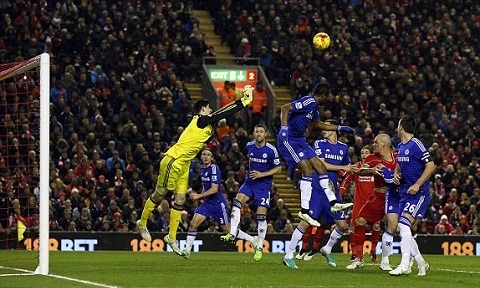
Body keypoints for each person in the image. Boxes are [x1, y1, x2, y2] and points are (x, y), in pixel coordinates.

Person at [136, 85, 255, 257]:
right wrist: (244, 100)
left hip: (184, 164)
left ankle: (172, 237)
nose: (211, 109)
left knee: (180, 199)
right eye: (208, 107)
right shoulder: (199, 120)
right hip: (173, 161)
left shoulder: (205, 123)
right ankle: (143, 222)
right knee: (160, 194)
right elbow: (222, 113)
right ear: (202, 110)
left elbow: (220, 116)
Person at [277, 83, 354, 227]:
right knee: (307, 170)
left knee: (320, 167)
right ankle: (305, 211)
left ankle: (334, 203)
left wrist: (339, 127)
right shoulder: (309, 101)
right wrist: (283, 128)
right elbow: (285, 108)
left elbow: (319, 124)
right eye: (328, 96)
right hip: (289, 140)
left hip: (300, 140)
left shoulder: (314, 109)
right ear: (323, 95)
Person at [283, 120, 356, 269]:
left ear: (334, 130)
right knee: (306, 222)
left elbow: (346, 170)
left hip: (332, 193)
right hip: (317, 190)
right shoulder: (319, 144)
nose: (324, 129)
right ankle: (289, 255)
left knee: (342, 226)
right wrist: (345, 167)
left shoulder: (343, 148)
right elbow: (322, 165)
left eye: (327, 127)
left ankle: (327, 248)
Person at [220, 124, 282, 261]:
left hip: (263, 186)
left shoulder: (271, 150)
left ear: (265, 134)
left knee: (261, 216)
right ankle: (232, 233)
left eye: (261, 132)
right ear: (253, 134)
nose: (259, 134)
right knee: (236, 202)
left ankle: (259, 246)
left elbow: (278, 169)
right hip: (250, 182)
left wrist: (262, 174)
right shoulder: (249, 146)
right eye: (256, 131)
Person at [182, 149, 256, 259]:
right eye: (204, 154)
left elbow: (214, 189)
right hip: (207, 203)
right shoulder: (202, 168)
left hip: (218, 204)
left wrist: (198, 196)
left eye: (208, 155)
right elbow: (206, 186)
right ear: (201, 157)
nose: (205, 156)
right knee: (193, 224)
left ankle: (252, 240)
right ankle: (187, 251)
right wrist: (200, 194)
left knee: (228, 230)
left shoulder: (214, 168)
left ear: (212, 158)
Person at [389, 115, 435, 276]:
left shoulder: (416, 144)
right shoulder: (401, 146)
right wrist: (396, 173)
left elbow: (430, 166)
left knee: (404, 224)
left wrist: (417, 184)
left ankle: (404, 264)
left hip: (418, 192)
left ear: (401, 126)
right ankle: (421, 263)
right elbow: (400, 165)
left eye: (397, 124)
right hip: (405, 192)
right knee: (402, 228)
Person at [346, 134, 397, 269]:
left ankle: (397, 260)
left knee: (400, 227)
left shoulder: (397, 157)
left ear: (384, 144)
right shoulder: (372, 158)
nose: (373, 145)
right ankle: (358, 258)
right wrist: (372, 170)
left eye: (376, 143)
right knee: (359, 221)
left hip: (395, 197)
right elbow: (361, 171)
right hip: (379, 197)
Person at [338, 146, 378, 263]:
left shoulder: (375, 167)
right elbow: (345, 182)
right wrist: (339, 196)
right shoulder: (356, 167)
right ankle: (355, 253)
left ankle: (373, 250)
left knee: (376, 226)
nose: (364, 155)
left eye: (366, 152)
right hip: (359, 203)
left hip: (373, 202)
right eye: (362, 153)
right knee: (354, 226)